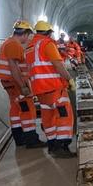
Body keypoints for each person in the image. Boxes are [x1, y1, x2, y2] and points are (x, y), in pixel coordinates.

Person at [25, 21, 77, 158]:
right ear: (48, 33)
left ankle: (52, 146)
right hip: (54, 87)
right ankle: (62, 146)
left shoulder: (29, 47)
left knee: (48, 117)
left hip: (40, 90)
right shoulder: (47, 43)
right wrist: (69, 79)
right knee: (64, 115)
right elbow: (58, 64)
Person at [0, 20, 45, 148]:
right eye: (28, 35)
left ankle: (19, 138)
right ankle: (31, 140)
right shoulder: (14, 44)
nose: (27, 39)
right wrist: (23, 86)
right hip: (15, 82)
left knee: (16, 109)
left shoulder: (7, 42)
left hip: (8, 82)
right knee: (27, 108)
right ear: (25, 33)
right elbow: (13, 67)